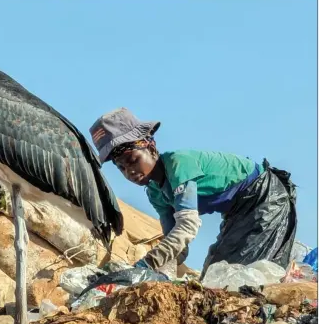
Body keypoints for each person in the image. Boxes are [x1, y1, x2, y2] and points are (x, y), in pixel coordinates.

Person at [89, 107, 297, 278]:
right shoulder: (155, 193)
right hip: (238, 212)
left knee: (239, 276)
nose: (130, 171)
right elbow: (177, 242)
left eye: (133, 160)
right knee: (214, 272)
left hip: (264, 198)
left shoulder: (180, 166)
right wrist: (157, 275)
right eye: (121, 168)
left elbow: (188, 226)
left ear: (151, 148)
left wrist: (146, 263)